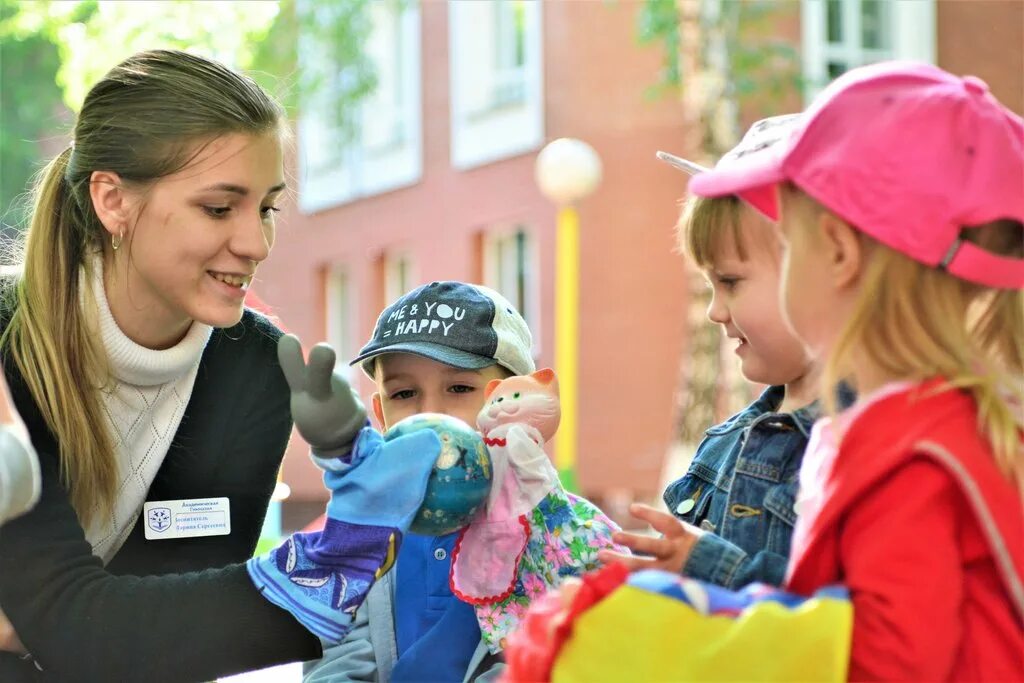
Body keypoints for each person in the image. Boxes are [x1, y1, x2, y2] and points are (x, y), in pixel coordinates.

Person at [506, 61, 1024, 682]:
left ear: (836, 252)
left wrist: (679, 630)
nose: (716, 304)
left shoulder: (908, 451)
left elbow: (888, 662)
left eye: (789, 240)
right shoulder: (930, 422)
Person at [0, 49, 440, 683]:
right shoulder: (7, 338)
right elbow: (88, 628)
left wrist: (60, 626)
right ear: (113, 200)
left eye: (265, 208)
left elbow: (162, 645)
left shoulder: (257, 368)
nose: (255, 244)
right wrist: (324, 571)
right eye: (218, 207)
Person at [304, 281, 621, 683]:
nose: (431, 414)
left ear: (512, 399)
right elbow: (336, 657)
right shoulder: (365, 538)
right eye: (404, 393)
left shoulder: (563, 532)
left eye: (459, 388)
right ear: (381, 415)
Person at [599, 115, 827, 589]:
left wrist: (714, 569)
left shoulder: (864, 444)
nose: (715, 313)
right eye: (709, 286)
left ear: (827, 267)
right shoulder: (724, 442)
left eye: (729, 282)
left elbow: (850, 618)